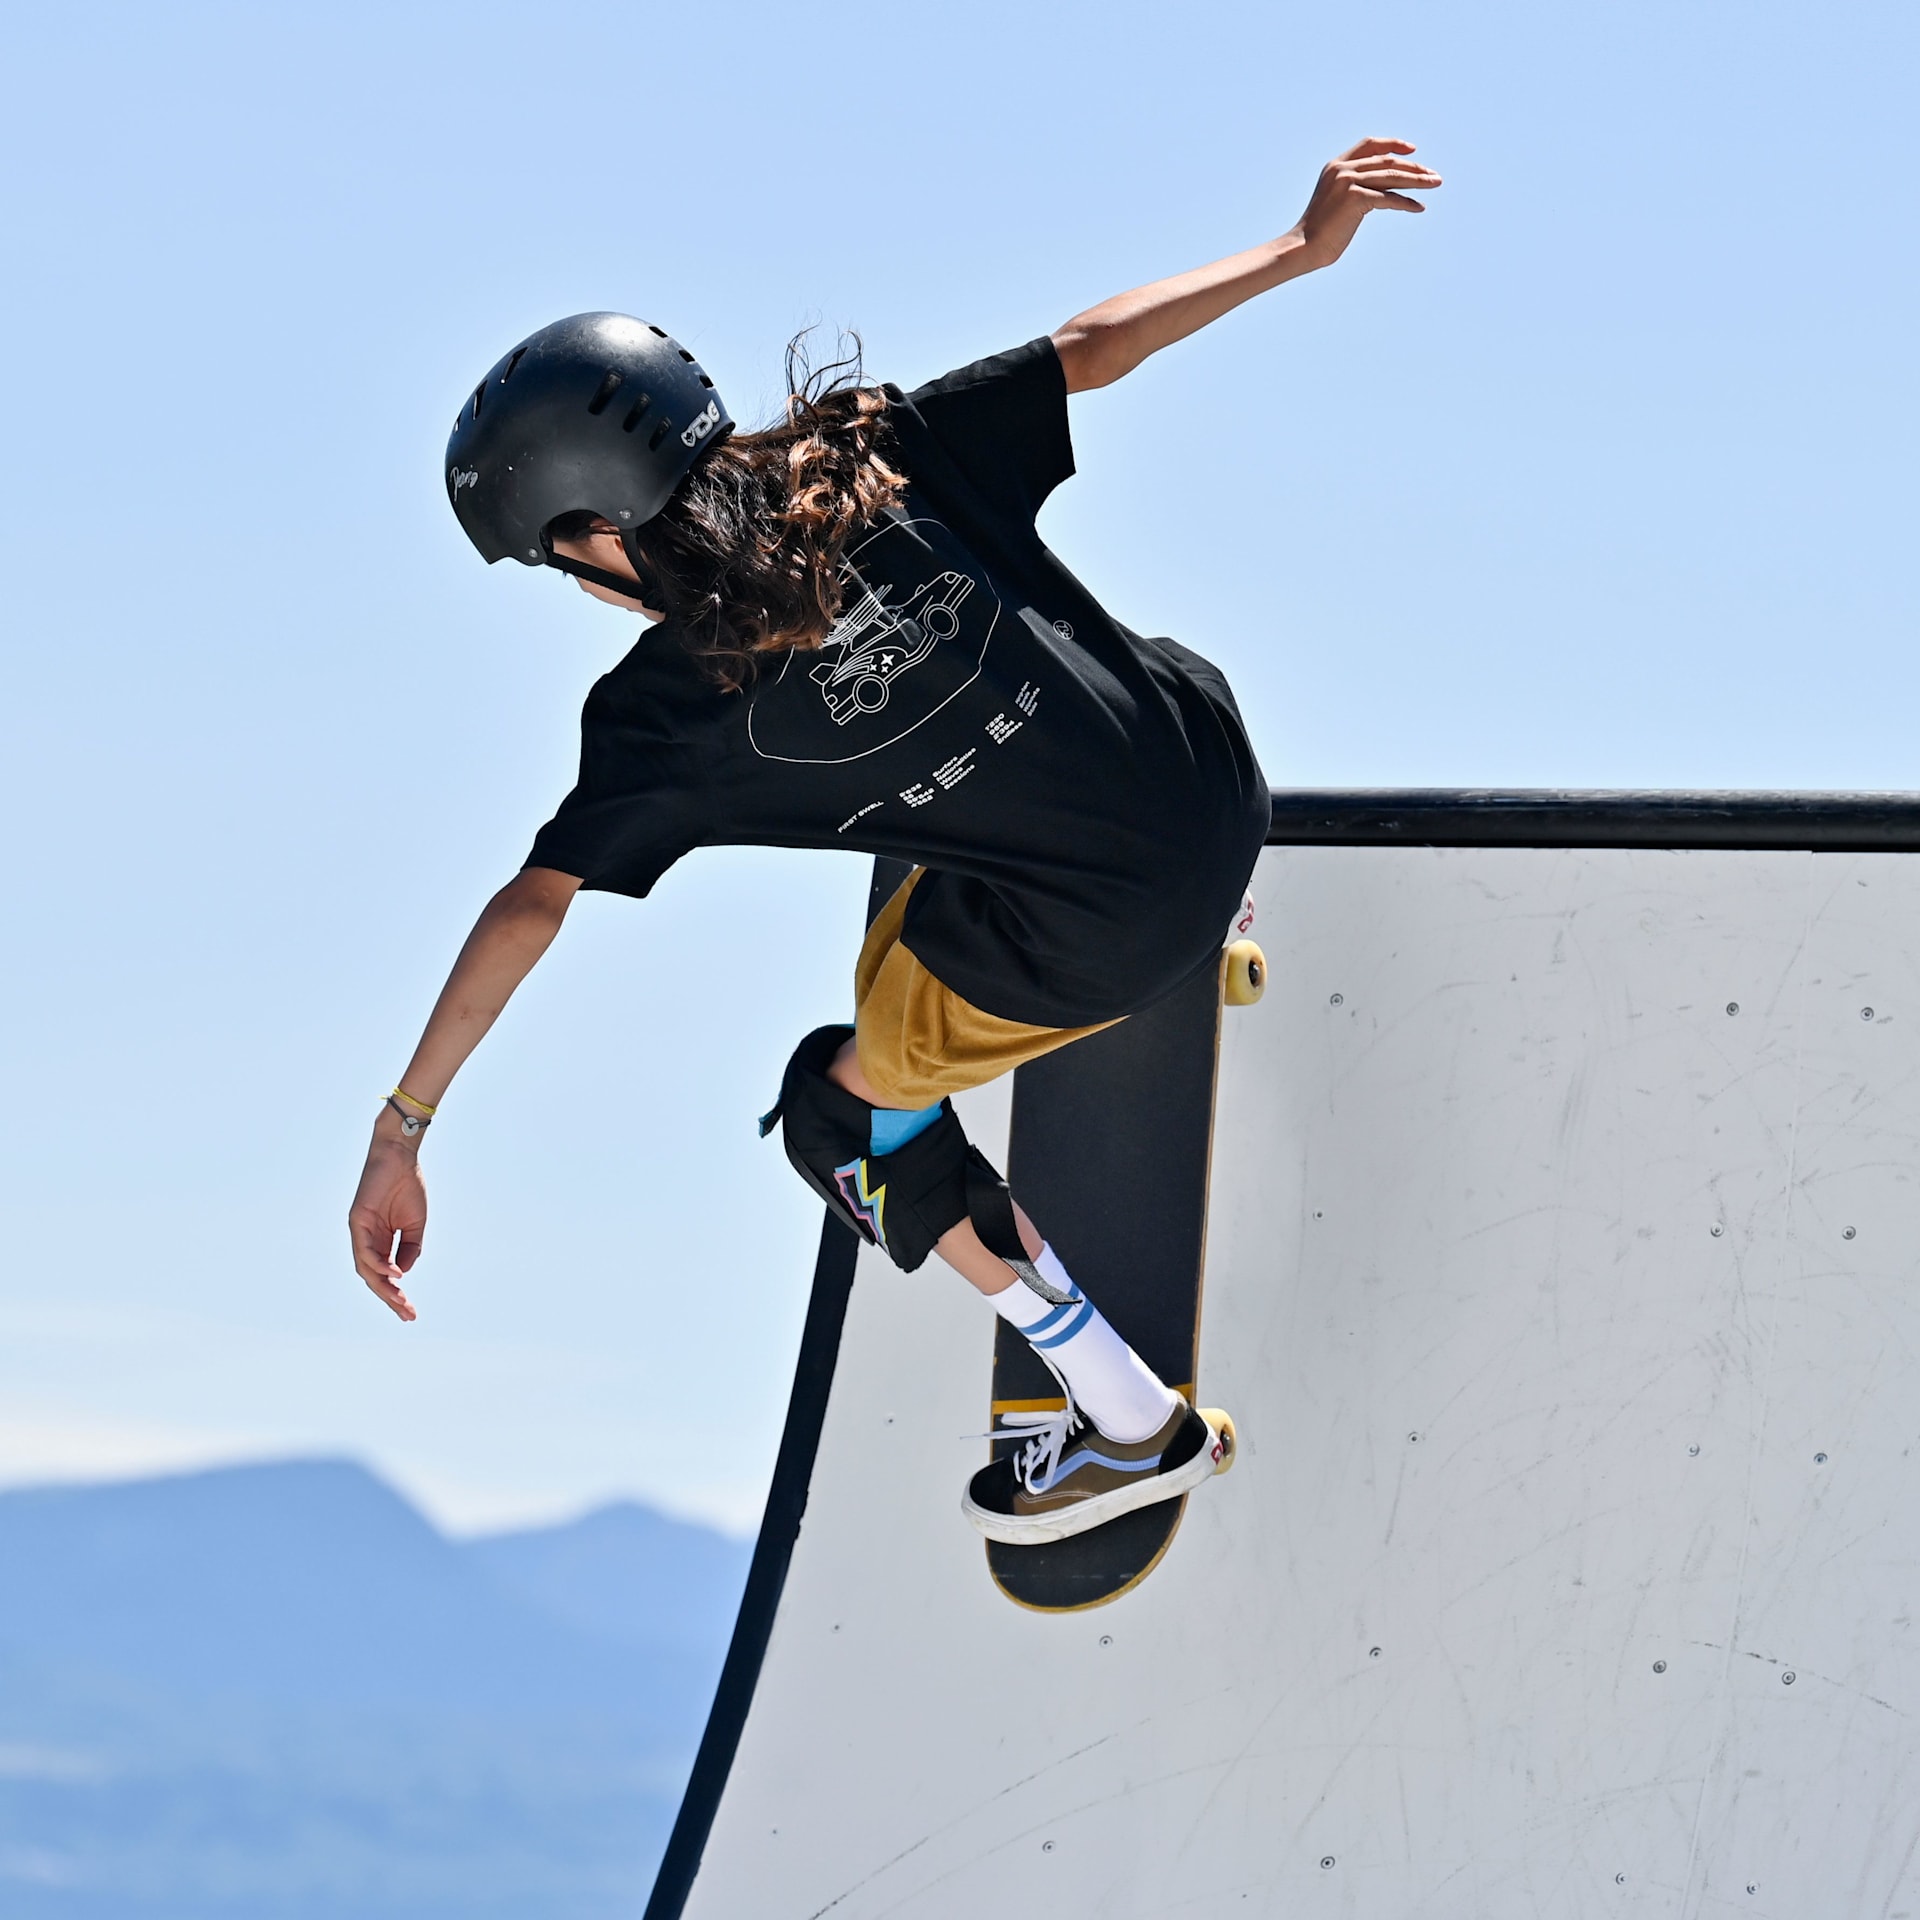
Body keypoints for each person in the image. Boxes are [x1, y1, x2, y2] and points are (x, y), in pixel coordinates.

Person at [349, 137, 1441, 1544]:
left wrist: (404, 1126)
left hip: (1093, 940)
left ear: (591, 534)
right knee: (1082, 688)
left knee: (840, 1110)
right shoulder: (864, 452)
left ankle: (1122, 1419)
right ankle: (1211, 916)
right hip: (1216, 788)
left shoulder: (664, 715)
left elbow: (531, 908)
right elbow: (1090, 349)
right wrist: (1299, 248)